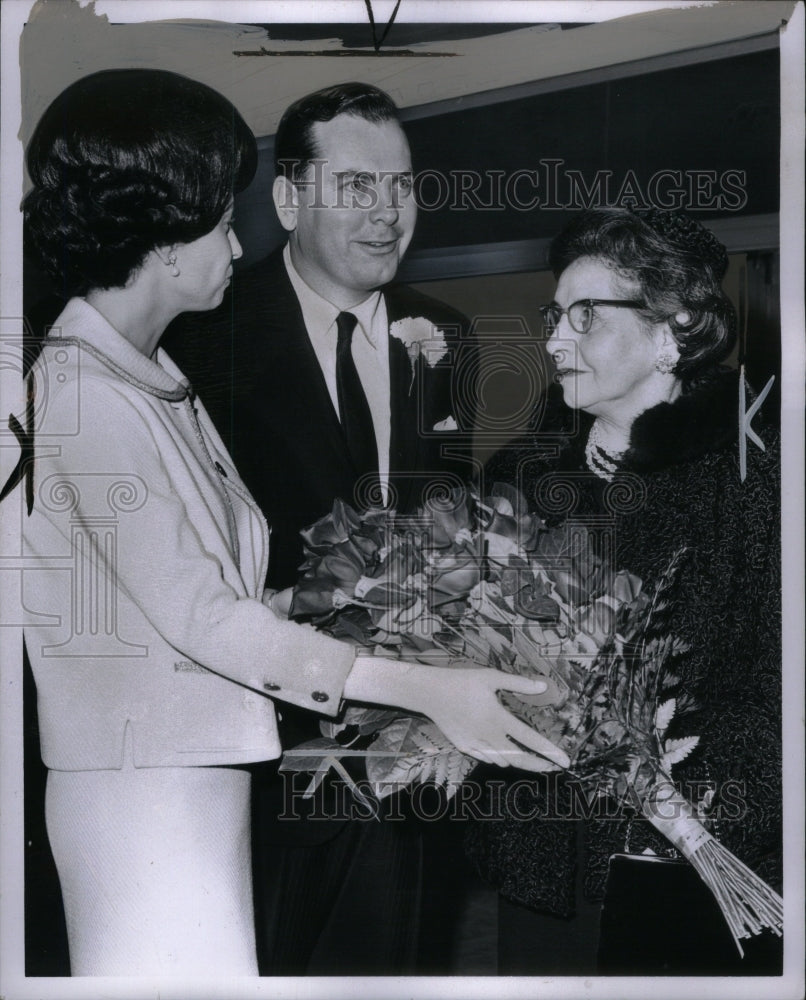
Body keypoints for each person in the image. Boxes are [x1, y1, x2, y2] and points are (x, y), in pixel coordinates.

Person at [9, 68, 568, 978]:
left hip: (199, 781)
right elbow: (204, 619)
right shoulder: (86, 391)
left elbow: (226, 594)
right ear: (160, 233)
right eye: (221, 220)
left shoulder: (142, 381)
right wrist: (429, 689)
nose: (238, 243)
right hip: (152, 796)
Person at [165, 82, 481, 975]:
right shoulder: (202, 338)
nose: (388, 213)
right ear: (291, 197)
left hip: (414, 752)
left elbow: (447, 526)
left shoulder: (443, 339)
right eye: (357, 187)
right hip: (261, 749)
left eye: (403, 185)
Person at [465, 208, 782, 975]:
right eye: (554, 316)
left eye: (585, 319)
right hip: (539, 862)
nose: (551, 342)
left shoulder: (751, 486)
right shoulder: (520, 476)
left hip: (683, 871)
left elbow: (779, 685)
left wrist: (681, 803)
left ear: (671, 332)